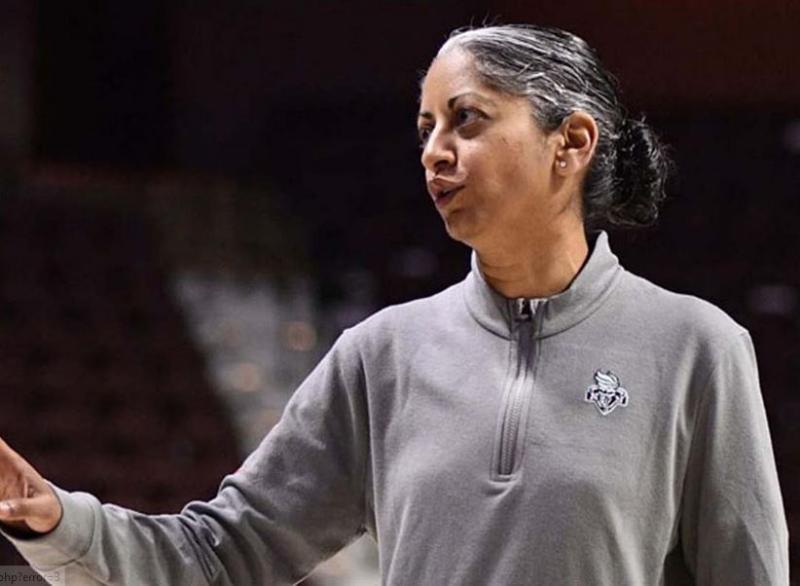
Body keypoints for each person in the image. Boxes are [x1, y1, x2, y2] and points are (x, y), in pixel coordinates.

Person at [0, 23, 790, 585]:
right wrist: (57, 519)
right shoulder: (380, 356)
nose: (435, 152)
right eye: (425, 128)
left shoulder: (697, 347)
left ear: (572, 143)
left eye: (466, 120)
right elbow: (221, 554)